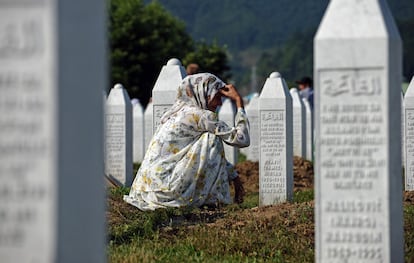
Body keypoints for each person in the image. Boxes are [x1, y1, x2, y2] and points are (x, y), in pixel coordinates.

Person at [124, 73, 250, 211]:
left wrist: (234, 176)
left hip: (148, 189)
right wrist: (238, 102)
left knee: (208, 139)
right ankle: (214, 201)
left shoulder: (176, 113)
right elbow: (241, 139)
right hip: (166, 190)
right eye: (217, 97)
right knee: (211, 138)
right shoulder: (202, 116)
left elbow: (204, 154)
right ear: (204, 94)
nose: (219, 103)